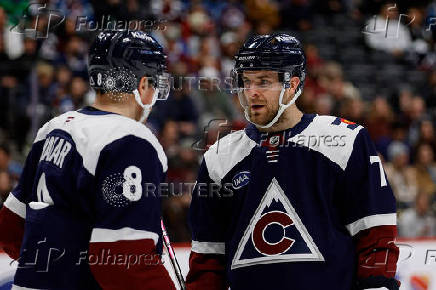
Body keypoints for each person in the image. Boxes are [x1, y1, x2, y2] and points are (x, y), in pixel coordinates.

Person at [186, 33, 400, 290]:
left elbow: (374, 232)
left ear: (292, 85)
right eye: (246, 82)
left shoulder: (344, 139)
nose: (251, 92)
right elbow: (208, 256)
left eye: (263, 82)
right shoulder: (219, 156)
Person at [0, 31, 176, 289]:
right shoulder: (132, 141)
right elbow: (123, 260)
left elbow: (11, 227)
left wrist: (53, 271)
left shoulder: (55, 127)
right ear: (142, 86)